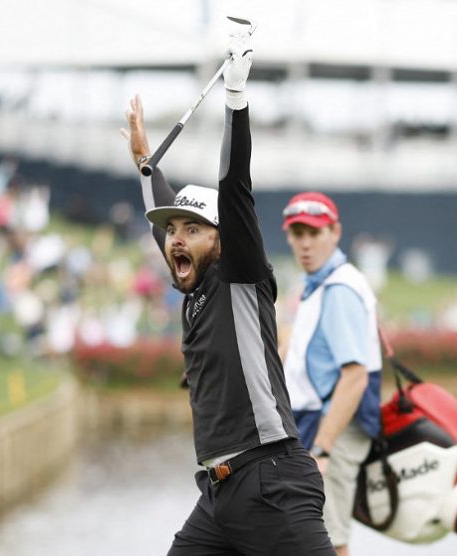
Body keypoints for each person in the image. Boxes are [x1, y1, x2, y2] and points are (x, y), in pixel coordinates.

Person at [121, 27, 333, 555]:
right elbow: (161, 203)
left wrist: (235, 101)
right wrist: (146, 161)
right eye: (172, 231)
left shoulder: (240, 273)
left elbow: (235, 186)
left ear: (221, 239)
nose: (176, 239)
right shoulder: (189, 276)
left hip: (272, 482)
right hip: (218, 496)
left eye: (192, 229)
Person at [280, 191, 383, 556]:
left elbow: (354, 376)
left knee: (328, 541)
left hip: (333, 429)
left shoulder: (339, 288)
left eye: (314, 233)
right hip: (316, 424)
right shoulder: (320, 284)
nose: (305, 243)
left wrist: (322, 448)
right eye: (297, 234)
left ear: (335, 232)